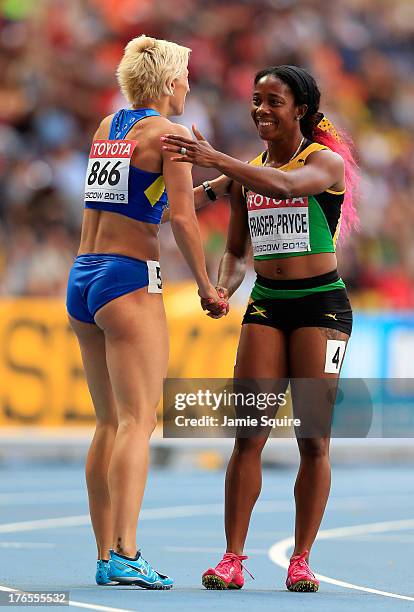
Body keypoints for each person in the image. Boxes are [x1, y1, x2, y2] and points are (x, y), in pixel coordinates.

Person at [161, 64, 359, 592]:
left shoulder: (324, 163)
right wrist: (222, 288)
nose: (261, 110)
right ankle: (231, 557)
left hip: (322, 310)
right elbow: (234, 252)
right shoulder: (246, 175)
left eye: (274, 101)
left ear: (301, 110)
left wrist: (216, 164)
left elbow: (287, 183)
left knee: (312, 440)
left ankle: (301, 558)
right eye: (255, 100)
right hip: (268, 306)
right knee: (248, 435)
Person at [66, 35, 228, 589]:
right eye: (184, 76)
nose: (188, 84)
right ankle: (128, 551)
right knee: (140, 421)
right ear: (165, 83)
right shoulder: (174, 135)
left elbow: (142, 206)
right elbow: (180, 220)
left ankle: (105, 554)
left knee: (109, 422)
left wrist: (211, 187)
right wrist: (207, 285)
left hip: (84, 277)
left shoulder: (107, 130)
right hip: (130, 281)